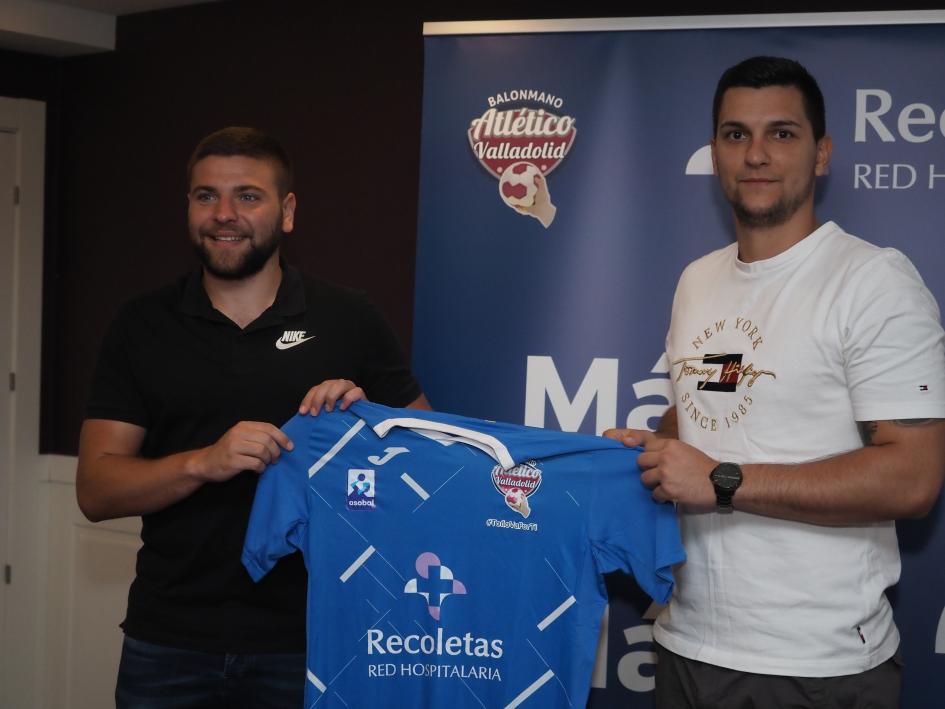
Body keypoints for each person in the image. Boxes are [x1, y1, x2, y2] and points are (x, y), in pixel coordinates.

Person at [606, 56, 945, 708]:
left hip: (815, 664)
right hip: (685, 644)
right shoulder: (698, 279)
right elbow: (708, 405)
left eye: (781, 133)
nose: (755, 154)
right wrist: (657, 450)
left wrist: (721, 480)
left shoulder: (872, 281)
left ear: (821, 154)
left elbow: (914, 477)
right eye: (736, 134)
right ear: (714, 153)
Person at [76, 126, 429, 708]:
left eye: (247, 195)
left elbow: (427, 464)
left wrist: (364, 421)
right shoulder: (141, 324)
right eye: (206, 196)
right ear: (188, 207)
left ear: (286, 212)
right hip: (168, 644)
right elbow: (95, 489)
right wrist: (201, 462)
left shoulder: (349, 319)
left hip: (313, 642)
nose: (224, 214)